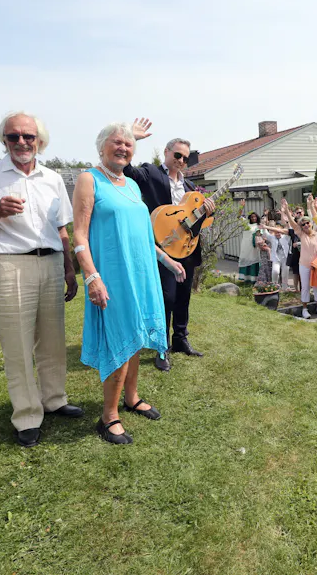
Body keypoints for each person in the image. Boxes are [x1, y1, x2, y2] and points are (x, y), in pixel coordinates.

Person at [0, 112, 82, 447]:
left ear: (40, 141)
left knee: (53, 339)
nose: (21, 142)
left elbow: (62, 228)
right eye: (13, 136)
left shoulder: (52, 178)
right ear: (4, 140)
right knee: (17, 344)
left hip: (53, 262)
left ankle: (54, 399)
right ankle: (27, 415)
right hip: (11, 264)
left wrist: (70, 268)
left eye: (28, 136)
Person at [72, 122, 186, 444]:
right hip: (112, 275)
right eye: (116, 142)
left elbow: (144, 236)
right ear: (101, 147)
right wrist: (92, 276)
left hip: (142, 273)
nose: (123, 148)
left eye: (128, 144)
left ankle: (131, 397)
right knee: (120, 340)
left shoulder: (132, 186)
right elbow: (79, 232)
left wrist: (167, 260)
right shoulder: (88, 179)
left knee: (136, 337)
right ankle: (108, 416)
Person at [122, 122, 214, 371]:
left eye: (185, 158)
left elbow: (195, 224)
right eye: (177, 155)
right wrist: (132, 138)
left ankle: (181, 339)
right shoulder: (151, 174)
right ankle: (161, 347)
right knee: (167, 297)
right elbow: (126, 169)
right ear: (166, 152)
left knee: (183, 298)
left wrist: (206, 213)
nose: (181, 161)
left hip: (187, 250)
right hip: (162, 251)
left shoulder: (190, 188)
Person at [281, 198, 317, 318]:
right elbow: (292, 224)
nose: (306, 225)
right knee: (305, 287)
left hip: (315, 265)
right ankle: (304, 309)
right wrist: (286, 211)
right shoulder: (301, 234)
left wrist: (310, 205)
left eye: (307, 223)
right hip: (303, 265)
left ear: (311, 224)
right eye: (303, 224)